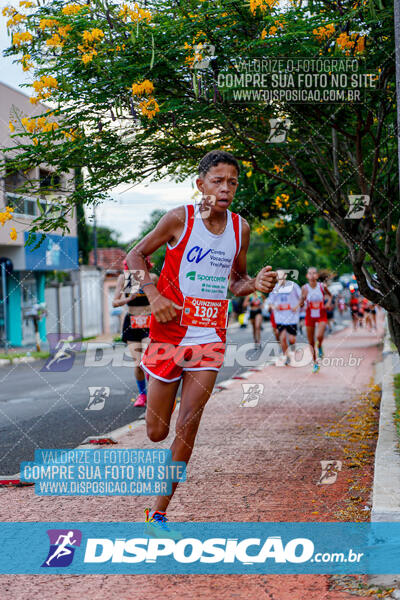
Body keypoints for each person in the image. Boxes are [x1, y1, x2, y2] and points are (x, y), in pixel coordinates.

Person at [126, 150, 277, 532]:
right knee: (157, 431)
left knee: (188, 425)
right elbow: (135, 255)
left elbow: (236, 281)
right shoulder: (180, 219)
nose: (226, 188)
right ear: (201, 184)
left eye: (233, 182)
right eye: (218, 181)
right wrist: (154, 296)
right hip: (168, 335)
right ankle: (164, 390)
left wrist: (254, 284)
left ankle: (157, 513)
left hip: (209, 336)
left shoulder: (240, 228)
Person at [112, 257, 158, 407]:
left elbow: (160, 297)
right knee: (138, 364)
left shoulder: (152, 278)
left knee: (148, 361)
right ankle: (143, 395)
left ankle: (155, 395)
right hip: (132, 323)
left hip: (148, 323)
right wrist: (129, 298)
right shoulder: (124, 278)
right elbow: (114, 302)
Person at [298, 267, 333, 373]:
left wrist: (327, 304)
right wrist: (303, 299)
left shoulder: (322, 286)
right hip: (310, 315)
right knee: (311, 342)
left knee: (319, 336)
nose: (312, 275)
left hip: (321, 314)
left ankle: (320, 346)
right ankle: (315, 363)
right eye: (310, 273)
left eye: (314, 273)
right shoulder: (304, 288)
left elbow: (330, 296)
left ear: (317, 276)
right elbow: (300, 304)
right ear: (307, 276)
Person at [267, 269, 301, 365]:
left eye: (281, 275)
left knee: (291, 339)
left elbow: (302, 298)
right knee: (282, 338)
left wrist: (296, 306)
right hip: (280, 318)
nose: (280, 278)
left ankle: (293, 346)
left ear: (285, 276)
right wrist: (274, 306)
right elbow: (270, 303)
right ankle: (287, 356)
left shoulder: (293, 286)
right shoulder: (275, 289)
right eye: (278, 276)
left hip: (292, 317)